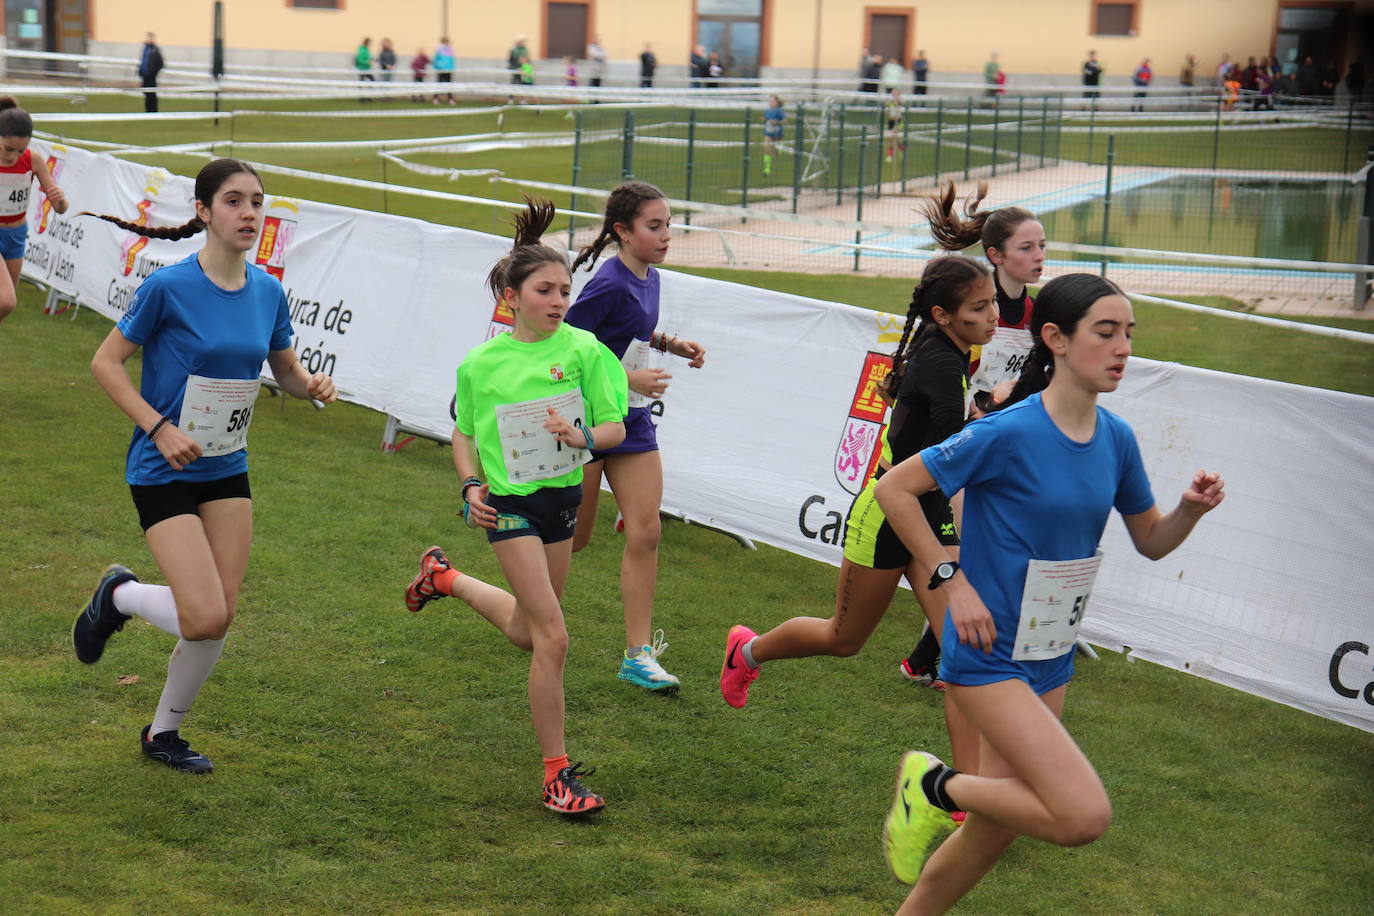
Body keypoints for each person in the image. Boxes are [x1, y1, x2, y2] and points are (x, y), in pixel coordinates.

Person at [874, 272, 1225, 912]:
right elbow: (893, 489)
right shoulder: (1008, 431)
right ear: (1056, 339)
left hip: (1050, 649)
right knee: (1080, 815)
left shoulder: (1115, 439)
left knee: (998, 827)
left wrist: (1190, 510)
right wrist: (950, 581)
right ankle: (936, 785)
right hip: (987, 651)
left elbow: (1150, 539)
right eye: (1106, 332)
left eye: (1128, 334)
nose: (1122, 348)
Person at [73, 158, 338, 773]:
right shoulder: (169, 287)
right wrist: (159, 428)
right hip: (162, 467)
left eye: (257, 202)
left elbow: (287, 372)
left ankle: (163, 733)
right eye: (234, 201)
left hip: (226, 466)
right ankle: (121, 595)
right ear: (203, 211)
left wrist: (312, 385)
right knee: (204, 613)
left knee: (222, 611)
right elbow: (105, 364)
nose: (249, 213)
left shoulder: (268, 291)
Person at [718, 254, 996, 798]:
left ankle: (971, 796)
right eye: (980, 307)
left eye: (992, 305)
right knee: (843, 639)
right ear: (942, 315)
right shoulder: (940, 363)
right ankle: (746, 652)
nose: (992, 316)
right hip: (889, 513)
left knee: (961, 655)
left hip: (930, 515)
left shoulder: (952, 351)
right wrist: (995, 420)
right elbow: (952, 449)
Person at [403, 198, 627, 815]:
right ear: (512, 295)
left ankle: (442, 578)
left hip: (564, 501)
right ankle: (557, 777)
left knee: (528, 631)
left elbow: (614, 429)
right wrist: (471, 487)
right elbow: (464, 433)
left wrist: (580, 437)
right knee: (554, 636)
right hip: (508, 506)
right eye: (545, 290)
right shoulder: (481, 363)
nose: (558, 300)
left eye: (564, 290)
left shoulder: (586, 353)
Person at [899, 182, 1046, 684]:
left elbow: (1033, 379)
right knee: (964, 555)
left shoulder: (1038, 313)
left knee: (979, 554)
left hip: (1000, 444)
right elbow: (943, 380)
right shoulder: (964, 305)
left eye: (1043, 246)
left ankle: (927, 659)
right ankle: (943, 659)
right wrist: (986, 404)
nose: (1039, 256)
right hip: (959, 446)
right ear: (995, 255)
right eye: (1027, 247)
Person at [565, 181, 706, 693]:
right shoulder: (607, 282)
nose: (667, 234)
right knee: (572, 539)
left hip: (632, 420)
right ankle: (516, 599)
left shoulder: (649, 276)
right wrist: (627, 378)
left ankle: (637, 655)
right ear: (623, 232)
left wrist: (668, 342)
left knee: (646, 531)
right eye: (655, 226)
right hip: (586, 422)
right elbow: (568, 350)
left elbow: (628, 332)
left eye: (669, 224)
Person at [0, 98, 68, 326]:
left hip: (16, 234)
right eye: (8, 149)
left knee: (3, 305)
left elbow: (60, 207)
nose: (13, 156)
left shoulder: (34, 161)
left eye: (21, 150)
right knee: (6, 302)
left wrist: (60, 201)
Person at [137, 32, 164, 114]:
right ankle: (148, 110)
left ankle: (153, 110)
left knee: (152, 93)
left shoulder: (155, 50)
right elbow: (144, 61)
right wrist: (140, 71)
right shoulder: (145, 49)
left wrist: (153, 72)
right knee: (146, 93)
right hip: (145, 75)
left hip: (151, 76)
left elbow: (160, 63)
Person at [762, 94, 785, 177]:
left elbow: (785, 121)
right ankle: (766, 169)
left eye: (773, 100)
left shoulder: (779, 111)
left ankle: (781, 146)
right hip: (768, 133)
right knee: (766, 149)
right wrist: (764, 119)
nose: (771, 102)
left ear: (776, 102)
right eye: (770, 100)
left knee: (777, 153)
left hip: (777, 134)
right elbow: (766, 118)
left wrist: (777, 122)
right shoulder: (767, 110)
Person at [433, 38, 455, 105]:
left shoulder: (450, 49)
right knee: (439, 84)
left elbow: (451, 60)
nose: (447, 43)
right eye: (446, 41)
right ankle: (435, 98)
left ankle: (450, 99)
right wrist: (439, 67)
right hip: (441, 70)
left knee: (449, 85)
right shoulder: (439, 49)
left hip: (448, 70)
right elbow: (436, 59)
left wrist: (451, 68)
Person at [884, 87, 904, 163]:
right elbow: (886, 104)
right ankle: (890, 156)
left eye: (896, 93)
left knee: (897, 138)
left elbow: (902, 103)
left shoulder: (900, 101)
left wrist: (897, 101)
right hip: (891, 122)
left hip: (898, 122)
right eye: (893, 93)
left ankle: (901, 152)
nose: (894, 94)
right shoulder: (890, 101)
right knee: (890, 139)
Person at [355, 37, 374, 102]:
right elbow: (360, 60)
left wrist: (371, 58)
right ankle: (361, 98)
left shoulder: (366, 49)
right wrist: (367, 62)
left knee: (371, 81)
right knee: (362, 83)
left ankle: (368, 96)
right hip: (362, 69)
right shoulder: (362, 50)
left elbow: (369, 56)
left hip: (367, 69)